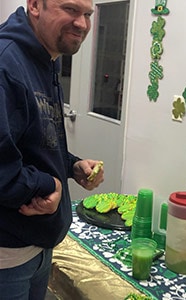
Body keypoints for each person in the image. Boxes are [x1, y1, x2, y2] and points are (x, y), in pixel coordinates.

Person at [0, 0, 104, 299]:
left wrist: (71, 165)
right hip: (7, 257)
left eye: (87, 14)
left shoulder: (47, 60)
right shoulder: (6, 63)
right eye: (70, 9)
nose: (82, 24)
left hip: (38, 247)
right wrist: (49, 183)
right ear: (35, 5)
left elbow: (32, 140)